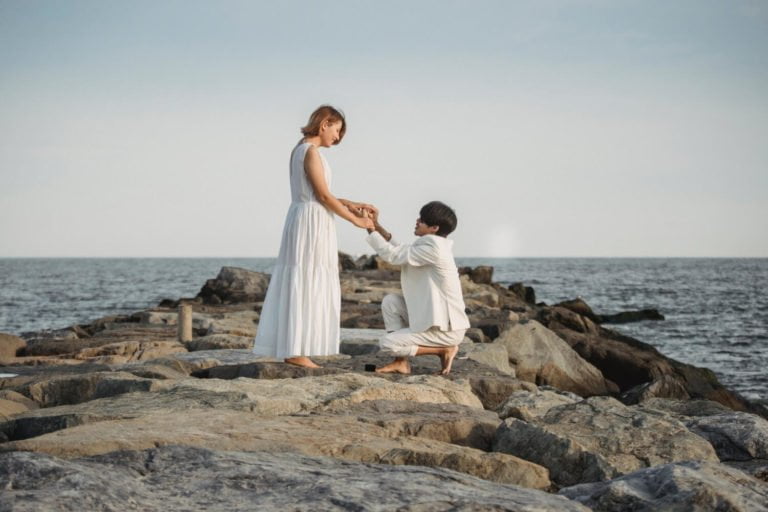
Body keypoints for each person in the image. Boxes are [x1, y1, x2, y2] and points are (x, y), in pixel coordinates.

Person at [253, 105, 375, 368]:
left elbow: (318, 193)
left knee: (306, 276)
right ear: (325, 124)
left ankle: (297, 347)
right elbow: (321, 196)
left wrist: (351, 203)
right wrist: (356, 220)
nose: (338, 137)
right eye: (337, 130)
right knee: (306, 277)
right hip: (310, 222)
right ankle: (296, 350)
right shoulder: (310, 151)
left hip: (309, 217)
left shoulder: (303, 149)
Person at [363, 201, 470, 375]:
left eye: (422, 220)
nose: (417, 221)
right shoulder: (432, 245)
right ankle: (401, 363)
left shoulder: (434, 249)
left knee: (388, 344)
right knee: (391, 302)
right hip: (436, 322)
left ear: (434, 227)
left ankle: (444, 350)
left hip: (447, 330)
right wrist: (375, 225)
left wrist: (367, 226)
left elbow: (392, 254)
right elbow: (399, 248)